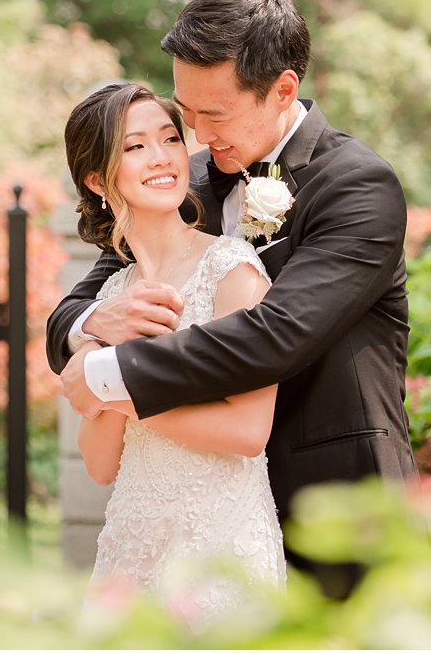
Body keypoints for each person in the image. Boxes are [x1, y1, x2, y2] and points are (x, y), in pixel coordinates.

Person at [47, 0, 418, 600]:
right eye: (183, 111)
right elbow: (78, 309)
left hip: (338, 506)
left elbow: (273, 337)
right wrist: (95, 329)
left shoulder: (357, 188)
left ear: (283, 91)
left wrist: (110, 376)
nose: (191, 132)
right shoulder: (185, 180)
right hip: (198, 521)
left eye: (211, 114)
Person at [63, 81, 286, 617]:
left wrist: (112, 386)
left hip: (220, 543)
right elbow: (98, 463)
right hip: (133, 542)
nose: (162, 158)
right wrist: (104, 368)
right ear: (97, 178)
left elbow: (248, 433)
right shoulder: (114, 297)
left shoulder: (231, 268)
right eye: (135, 147)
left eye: (169, 138)